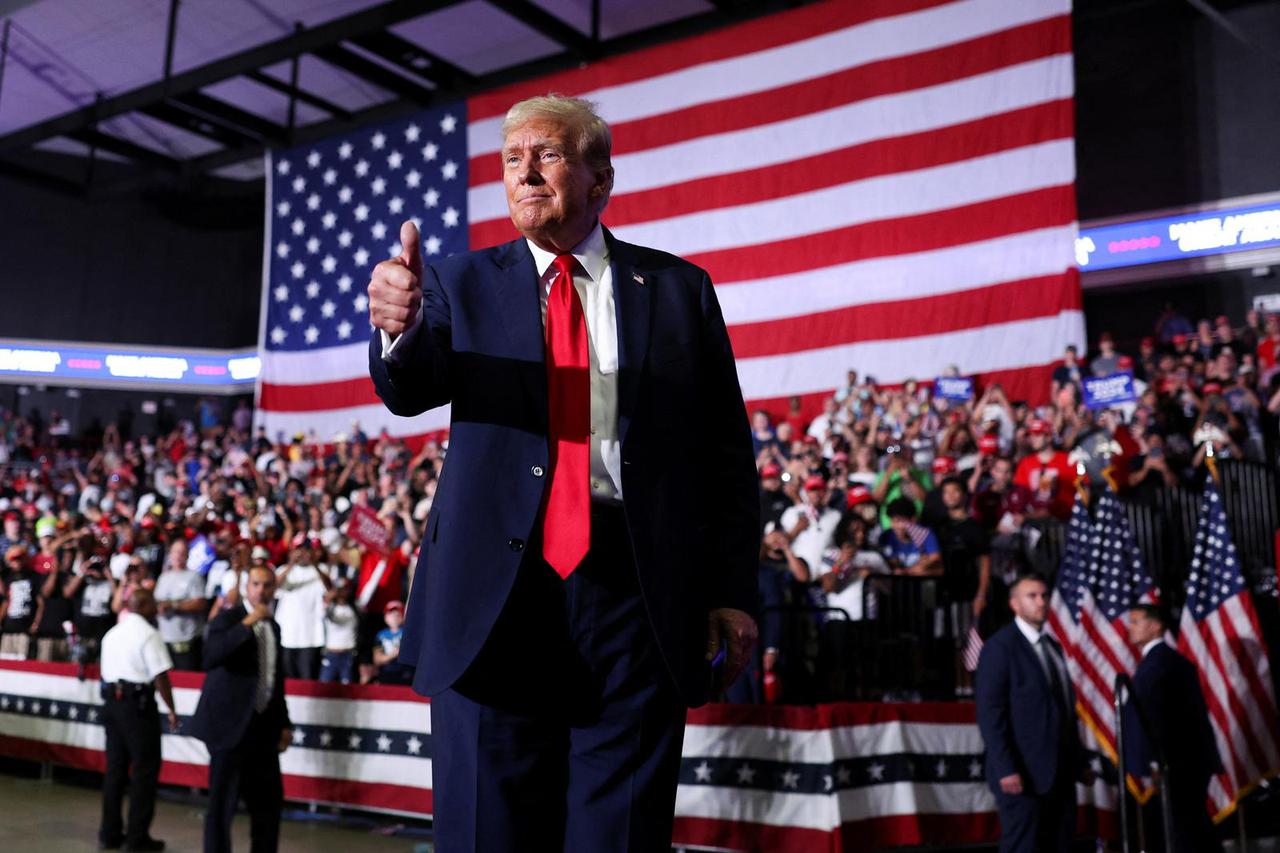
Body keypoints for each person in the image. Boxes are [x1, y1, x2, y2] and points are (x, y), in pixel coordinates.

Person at [366, 93, 759, 851]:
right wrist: (399, 327)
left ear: (600, 179)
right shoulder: (458, 282)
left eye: (546, 154)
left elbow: (725, 456)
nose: (525, 173)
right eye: (512, 159)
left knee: (619, 834)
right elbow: (410, 388)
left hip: (636, 598)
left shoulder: (680, 290)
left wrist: (733, 592)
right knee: (487, 833)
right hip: (493, 603)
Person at [975, 573, 1087, 853]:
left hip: (1060, 772)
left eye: (1044, 595)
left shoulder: (1052, 647)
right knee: (1023, 845)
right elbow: (991, 714)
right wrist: (1006, 768)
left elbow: (1063, 710)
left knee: (1060, 845)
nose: (1041, 602)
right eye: (1032, 596)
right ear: (1014, 604)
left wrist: (1079, 761)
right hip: (1023, 773)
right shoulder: (1000, 648)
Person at [187, 565, 292, 853]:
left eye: (267, 585)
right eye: (256, 584)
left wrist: (284, 723)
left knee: (269, 804)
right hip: (228, 727)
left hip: (262, 728)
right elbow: (211, 656)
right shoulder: (228, 618)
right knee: (222, 805)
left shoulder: (273, 627)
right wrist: (247, 623)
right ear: (247, 587)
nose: (261, 591)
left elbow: (273, 679)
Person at [1123, 604, 1223, 853]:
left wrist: (1156, 762)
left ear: (1155, 626)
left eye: (1136, 621)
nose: (1130, 627)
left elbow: (1161, 717)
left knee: (1185, 831)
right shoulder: (1160, 661)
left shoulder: (1161, 663)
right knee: (1191, 828)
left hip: (1178, 763)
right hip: (1185, 763)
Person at [98, 587, 179, 852]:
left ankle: (109, 833)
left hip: (112, 702)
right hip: (137, 706)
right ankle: (137, 836)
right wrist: (171, 708)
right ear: (143, 605)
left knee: (115, 770)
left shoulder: (112, 633)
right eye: (153, 603)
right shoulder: (148, 634)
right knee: (145, 770)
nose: (157, 607)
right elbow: (160, 676)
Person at [153, 539, 207, 670]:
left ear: (187, 555)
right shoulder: (163, 577)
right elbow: (156, 602)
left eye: (182, 553)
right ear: (170, 554)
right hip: (165, 640)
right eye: (175, 552)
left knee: (186, 679)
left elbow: (200, 604)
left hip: (186, 641)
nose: (178, 556)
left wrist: (173, 605)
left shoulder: (194, 577)